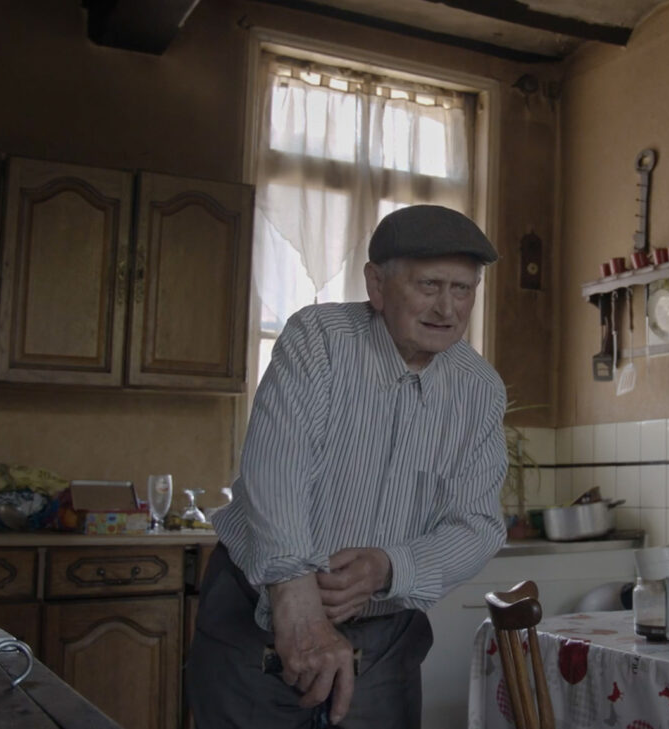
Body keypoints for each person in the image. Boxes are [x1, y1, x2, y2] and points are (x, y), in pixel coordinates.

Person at [187, 205, 508, 728]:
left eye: (463, 289)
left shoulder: (480, 389)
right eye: (429, 285)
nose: (447, 308)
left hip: (383, 642)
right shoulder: (318, 338)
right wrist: (296, 594)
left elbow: (477, 525)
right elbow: (277, 469)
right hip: (258, 618)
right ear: (376, 285)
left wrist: (388, 567)